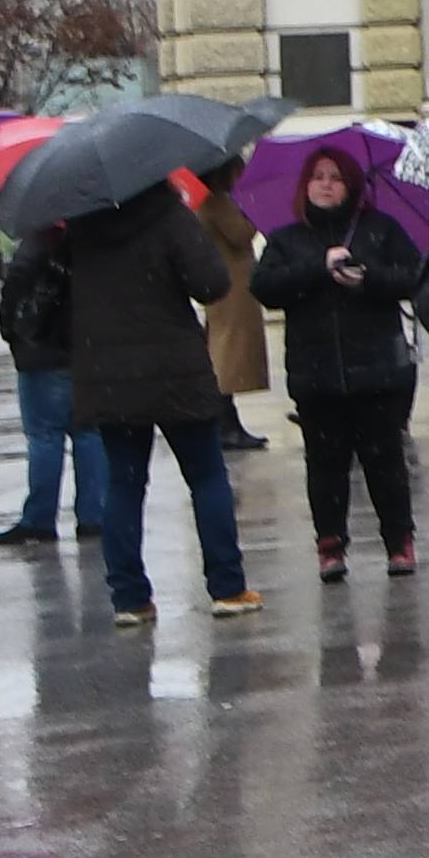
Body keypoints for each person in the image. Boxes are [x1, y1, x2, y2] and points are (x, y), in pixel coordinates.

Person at [64, 174, 258, 626]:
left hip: (109, 374)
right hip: (175, 372)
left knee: (124, 485)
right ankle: (227, 588)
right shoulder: (170, 217)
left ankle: (129, 598)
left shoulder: (82, 227)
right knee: (207, 477)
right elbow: (211, 284)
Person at [262, 145, 428, 582]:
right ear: (305, 186)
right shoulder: (287, 238)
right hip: (315, 374)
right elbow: (266, 287)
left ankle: (399, 540)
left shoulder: (380, 229)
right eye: (318, 176)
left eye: (335, 177)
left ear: (351, 185)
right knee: (325, 465)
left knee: (385, 462)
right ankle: (330, 544)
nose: (326, 184)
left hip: (377, 371)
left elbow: (413, 277)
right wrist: (319, 269)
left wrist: (367, 277)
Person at [0, 218, 100, 549]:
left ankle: (39, 518)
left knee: (45, 438)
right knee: (89, 435)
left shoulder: (37, 244)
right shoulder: (93, 241)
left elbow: (14, 295)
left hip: (42, 355)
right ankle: (94, 514)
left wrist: (15, 337)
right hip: (86, 353)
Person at [199, 186, 274, 454]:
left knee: (223, 350)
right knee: (227, 354)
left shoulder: (208, 197)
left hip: (228, 277)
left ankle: (227, 422)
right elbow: (241, 233)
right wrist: (253, 207)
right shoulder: (216, 199)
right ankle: (225, 425)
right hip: (232, 281)